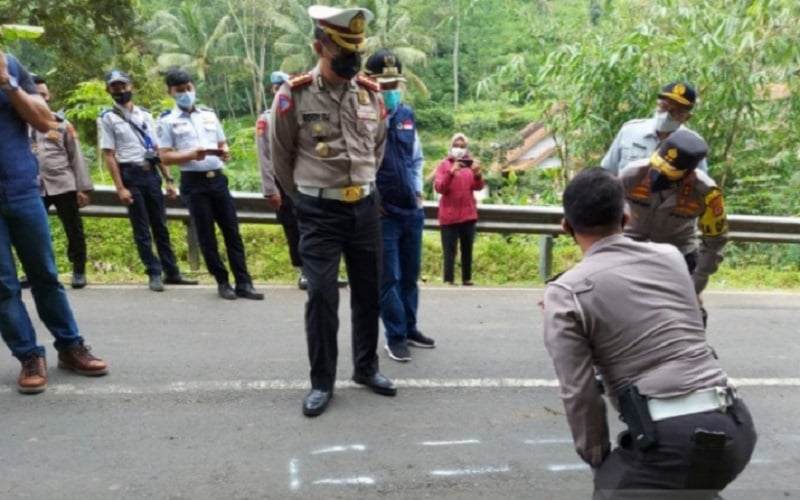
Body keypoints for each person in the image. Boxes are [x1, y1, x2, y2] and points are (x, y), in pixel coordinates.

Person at [542, 167, 756, 498]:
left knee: (616, 488)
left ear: (566, 227)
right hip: (736, 426)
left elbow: (579, 391)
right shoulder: (671, 257)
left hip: (672, 442)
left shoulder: (565, 292)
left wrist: (599, 459)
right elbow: (694, 320)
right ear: (626, 218)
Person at [269, 5, 396, 417]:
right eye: (342, 50)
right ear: (319, 46)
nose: (352, 59)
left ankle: (366, 368)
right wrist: (306, 198)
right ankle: (322, 382)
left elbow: (377, 147)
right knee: (322, 295)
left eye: (356, 50)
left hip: (364, 206)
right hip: (317, 211)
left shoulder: (370, 93)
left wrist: (361, 187)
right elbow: (281, 155)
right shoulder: (294, 93)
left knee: (368, 293)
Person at [0, 50, 108, 394]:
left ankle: (70, 346)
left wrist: (7, 83)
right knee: (2, 285)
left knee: (45, 274)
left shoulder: (10, 64)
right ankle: (29, 356)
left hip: (22, 191)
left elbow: (45, 121)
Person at [157, 68, 263, 301]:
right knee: (207, 235)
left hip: (218, 179)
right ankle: (222, 281)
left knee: (232, 232)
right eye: (179, 90)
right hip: (194, 183)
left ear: (193, 87)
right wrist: (190, 155)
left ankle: (244, 282)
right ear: (170, 92)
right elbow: (164, 156)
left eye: (188, 88)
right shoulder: (167, 121)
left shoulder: (209, 115)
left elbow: (222, 142)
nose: (185, 93)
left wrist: (224, 152)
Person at [364, 48, 435, 362]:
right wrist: (371, 197)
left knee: (409, 274)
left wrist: (419, 192)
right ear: (369, 83)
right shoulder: (362, 117)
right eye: (384, 85)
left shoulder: (406, 115)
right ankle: (394, 335)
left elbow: (416, 158)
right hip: (383, 212)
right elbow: (356, 164)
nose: (390, 91)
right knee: (388, 277)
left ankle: (409, 327)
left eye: (395, 85)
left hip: (410, 209)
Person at [99, 69, 197, 292]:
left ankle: (172, 271)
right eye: (115, 87)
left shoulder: (145, 115)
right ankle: (153, 272)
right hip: (130, 175)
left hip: (150, 174)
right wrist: (120, 187)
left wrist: (168, 180)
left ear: (131, 86)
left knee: (160, 226)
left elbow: (157, 149)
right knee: (142, 228)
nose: (120, 91)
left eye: (123, 86)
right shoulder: (108, 118)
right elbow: (109, 155)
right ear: (109, 90)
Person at [620, 129, 728, 297]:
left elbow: (715, 241)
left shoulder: (706, 193)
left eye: (667, 175)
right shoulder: (631, 175)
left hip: (679, 257)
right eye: (656, 167)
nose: (656, 175)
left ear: (689, 175)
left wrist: (697, 281)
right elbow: (607, 217)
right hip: (631, 251)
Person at [30, 74, 93, 289]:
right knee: (33, 232)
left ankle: (78, 270)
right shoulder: (20, 123)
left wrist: (82, 188)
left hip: (64, 184)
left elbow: (76, 156)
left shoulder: (62, 124)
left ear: (49, 96)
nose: (39, 98)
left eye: (43, 95)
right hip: (34, 187)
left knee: (73, 229)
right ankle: (36, 273)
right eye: (34, 94)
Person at [256, 70, 307, 290]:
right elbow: (264, 156)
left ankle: (320, 269)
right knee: (293, 226)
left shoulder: (298, 114)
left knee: (313, 226)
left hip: (305, 179)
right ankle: (303, 271)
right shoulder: (266, 119)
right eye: (277, 87)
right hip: (281, 182)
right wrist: (270, 189)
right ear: (272, 90)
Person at [601, 81, 708, 175]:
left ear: (687, 117)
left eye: (676, 112)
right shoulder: (630, 131)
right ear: (656, 105)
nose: (667, 115)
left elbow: (699, 186)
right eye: (664, 107)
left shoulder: (693, 145)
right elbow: (608, 172)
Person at [433, 132, 485, 286]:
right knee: (449, 250)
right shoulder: (444, 165)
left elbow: (478, 187)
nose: (459, 149)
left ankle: (466, 278)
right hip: (449, 214)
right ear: (451, 147)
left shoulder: (470, 165)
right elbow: (440, 188)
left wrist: (477, 174)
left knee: (467, 248)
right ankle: (448, 279)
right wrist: (451, 173)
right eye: (456, 146)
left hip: (468, 214)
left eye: (462, 146)